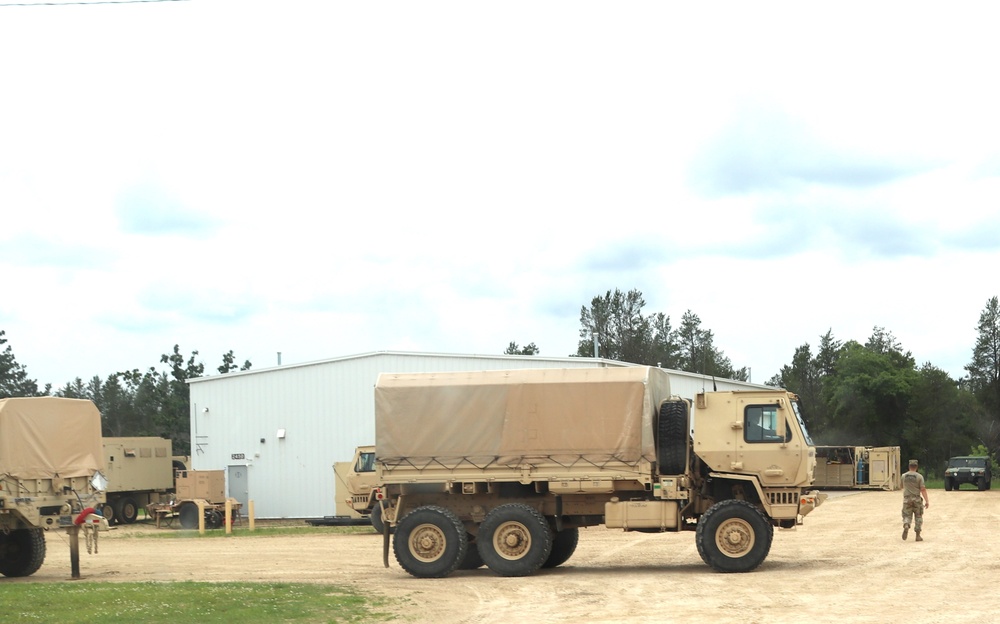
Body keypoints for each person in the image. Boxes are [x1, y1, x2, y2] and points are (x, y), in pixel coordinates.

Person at [901, 459, 930, 541]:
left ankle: (906, 524)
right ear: (916, 467)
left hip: (907, 499)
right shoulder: (919, 477)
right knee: (918, 516)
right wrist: (927, 501)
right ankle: (918, 535)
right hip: (917, 499)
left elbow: (901, 486)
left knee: (906, 515)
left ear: (909, 466)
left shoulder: (903, 476)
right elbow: (923, 489)